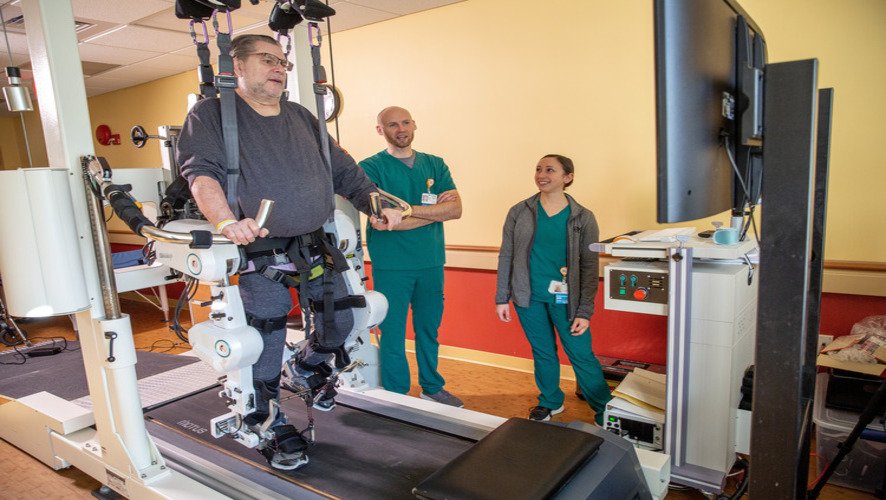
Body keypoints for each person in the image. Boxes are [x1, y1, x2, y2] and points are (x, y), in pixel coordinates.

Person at [176, 34, 402, 470]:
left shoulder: (301, 115)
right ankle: (266, 416)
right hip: (258, 250)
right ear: (237, 66)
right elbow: (200, 175)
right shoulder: (212, 114)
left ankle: (303, 369)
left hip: (313, 244)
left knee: (348, 318)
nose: (279, 68)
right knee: (265, 336)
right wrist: (225, 221)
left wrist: (373, 203)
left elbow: (345, 172)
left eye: (282, 61)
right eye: (267, 59)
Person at [358, 106, 464, 407]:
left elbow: (455, 209)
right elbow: (383, 222)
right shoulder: (370, 168)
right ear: (381, 130)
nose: (401, 129)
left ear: (414, 124)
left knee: (429, 329)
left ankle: (431, 386)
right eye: (392, 124)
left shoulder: (435, 165)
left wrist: (406, 212)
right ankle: (396, 394)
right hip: (392, 266)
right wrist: (434, 214)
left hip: (430, 262)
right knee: (392, 332)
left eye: (405, 122)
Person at [494, 154, 611, 425]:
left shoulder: (583, 217)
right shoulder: (519, 211)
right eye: (538, 169)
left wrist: (585, 310)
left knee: (581, 354)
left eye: (550, 170)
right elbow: (506, 255)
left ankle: (604, 408)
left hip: (567, 300)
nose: (541, 175)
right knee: (543, 351)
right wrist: (502, 297)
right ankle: (549, 402)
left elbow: (589, 267)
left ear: (567, 177)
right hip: (528, 297)